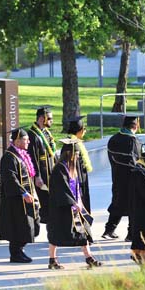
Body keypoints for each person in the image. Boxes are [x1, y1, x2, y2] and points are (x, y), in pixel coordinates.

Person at [46, 139, 102, 270]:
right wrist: (72, 202)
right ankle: (52, 260)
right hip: (61, 208)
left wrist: (80, 201)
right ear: (69, 154)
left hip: (73, 207)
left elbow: (76, 187)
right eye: (76, 154)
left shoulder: (72, 168)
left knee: (83, 231)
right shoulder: (60, 169)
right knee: (55, 235)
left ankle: (89, 258)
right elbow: (62, 189)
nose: (77, 157)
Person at [0, 128, 40, 263]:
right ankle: (16, 253)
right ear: (17, 141)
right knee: (18, 226)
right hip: (15, 199)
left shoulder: (21, 155)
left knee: (27, 225)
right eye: (25, 139)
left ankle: (19, 250)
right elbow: (11, 178)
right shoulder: (9, 157)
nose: (28, 141)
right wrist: (23, 192)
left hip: (24, 198)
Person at [103, 115, 142, 240]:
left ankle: (109, 230)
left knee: (117, 204)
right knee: (133, 206)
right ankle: (131, 234)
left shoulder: (113, 139)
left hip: (117, 177)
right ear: (135, 126)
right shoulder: (133, 141)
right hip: (131, 179)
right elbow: (134, 161)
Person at [27, 106, 57, 223]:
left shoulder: (46, 133)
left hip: (50, 169)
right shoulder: (33, 135)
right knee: (43, 199)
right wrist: (37, 176)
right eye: (49, 118)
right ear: (41, 118)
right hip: (41, 172)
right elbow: (32, 157)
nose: (51, 121)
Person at [64, 116, 92, 214]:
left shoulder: (76, 143)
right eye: (84, 129)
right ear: (79, 130)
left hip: (81, 178)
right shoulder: (72, 144)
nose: (85, 131)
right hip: (77, 180)